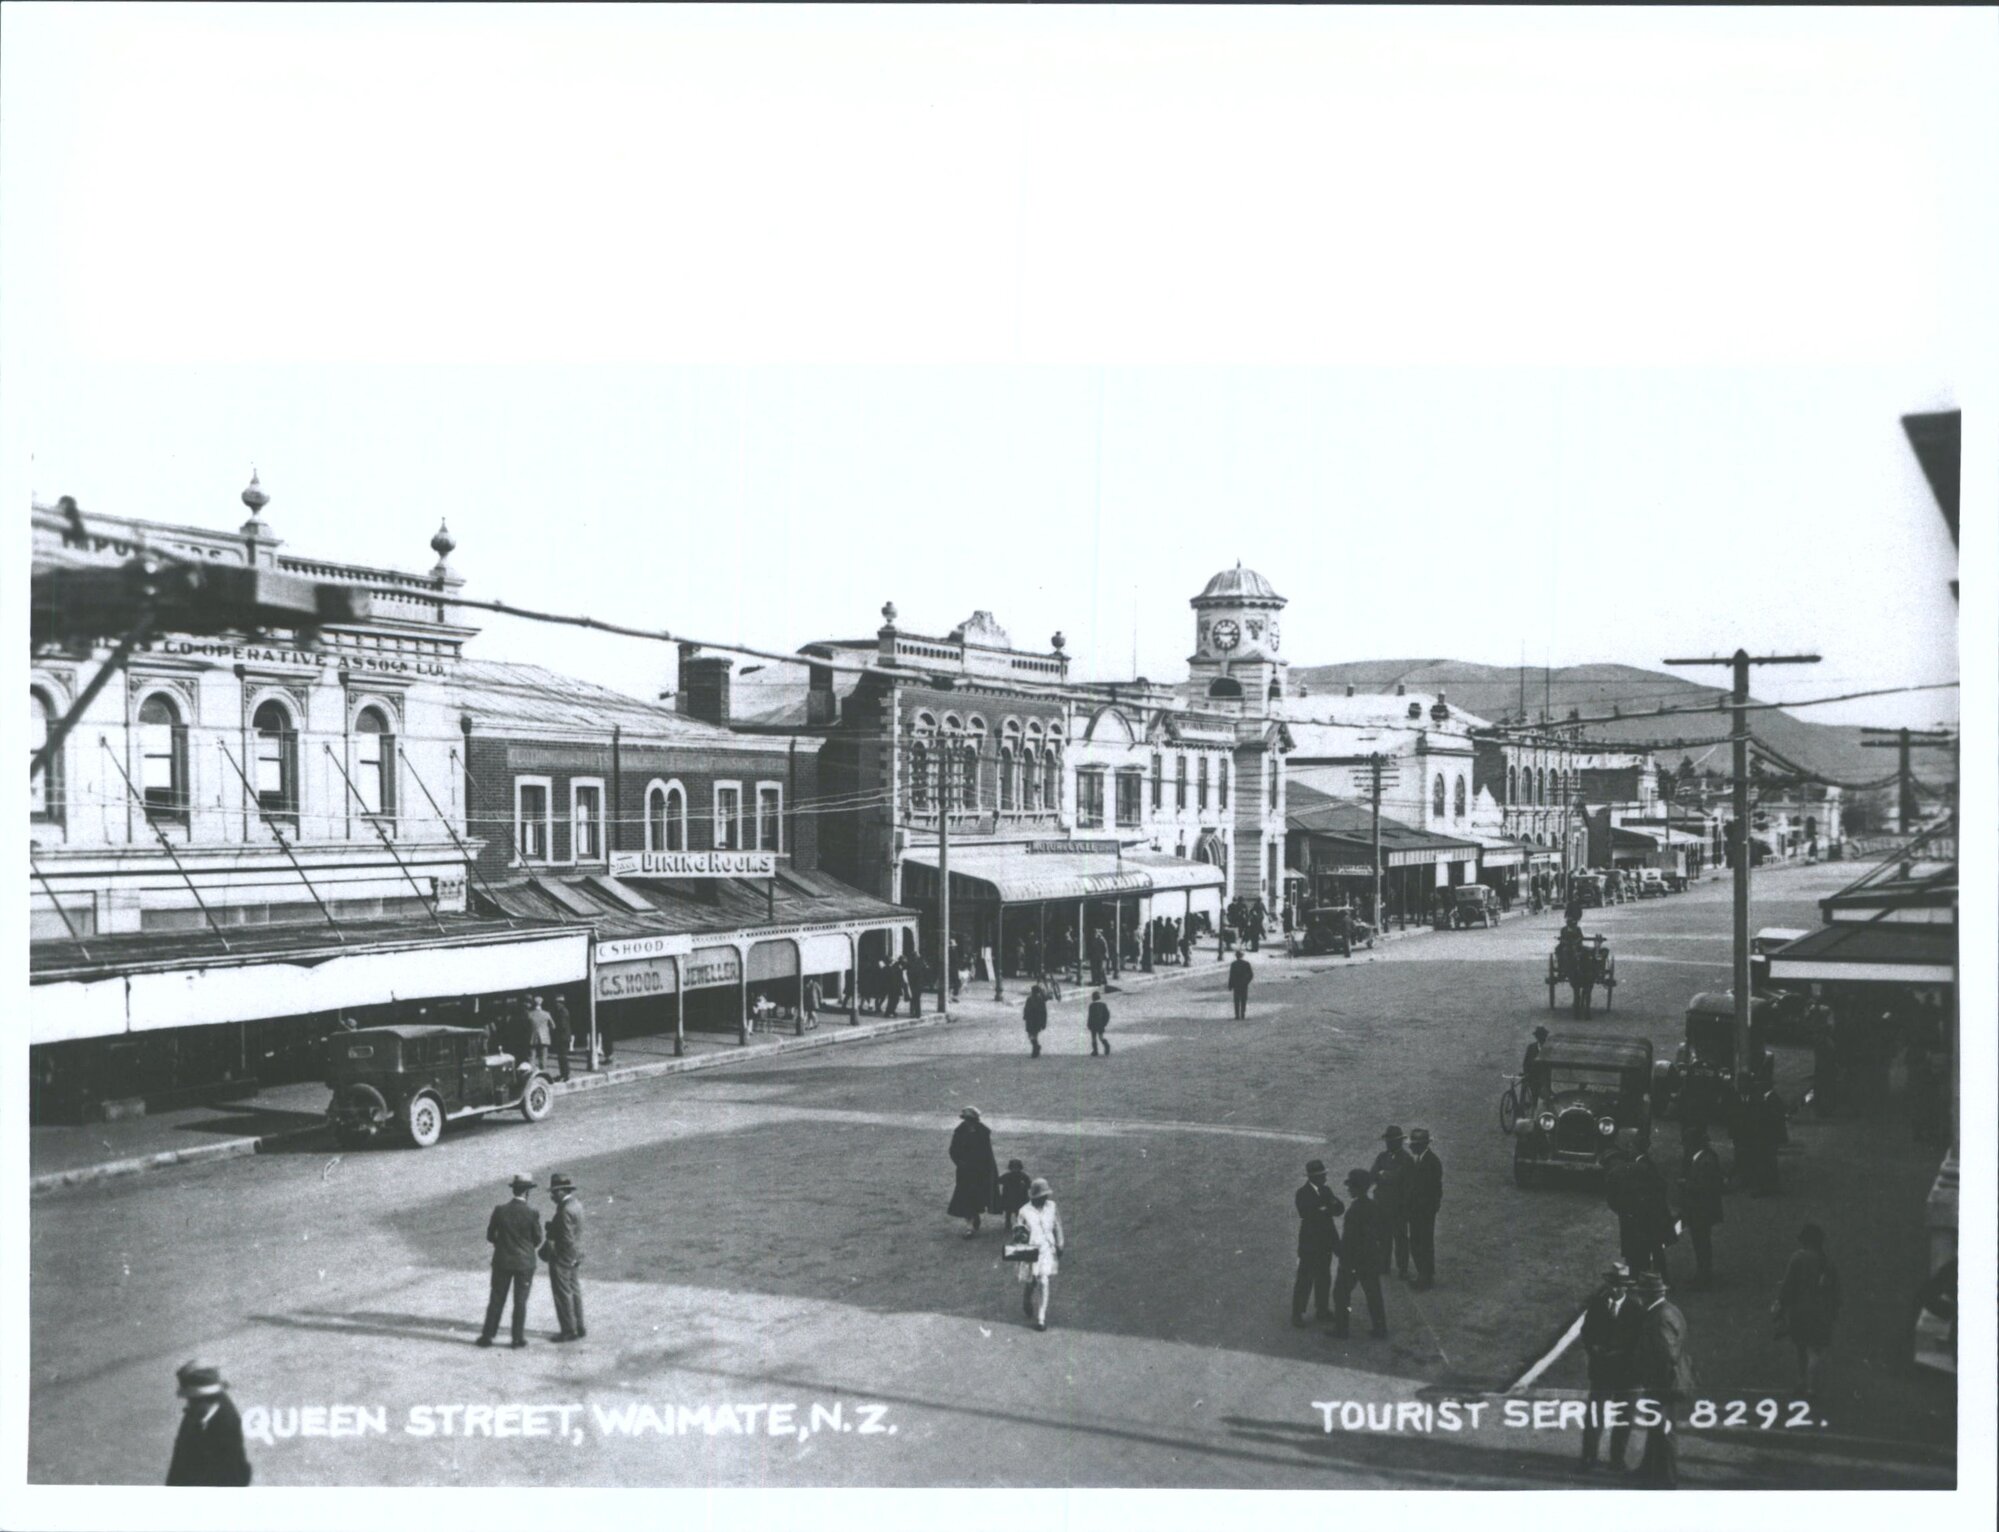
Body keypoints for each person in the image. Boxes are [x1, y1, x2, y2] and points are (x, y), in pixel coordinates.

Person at [1630, 1270, 1696, 1488]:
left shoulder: (1659, 1317)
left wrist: (1649, 1377)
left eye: (1641, 1292)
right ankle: (1649, 1469)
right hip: (1668, 1380)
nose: (1639, 1295)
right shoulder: (1669, 1310)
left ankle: (1666, 1479)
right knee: (1657, 1426)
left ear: (1648, 1294)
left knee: (1663, 1429)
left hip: (1663, 1382)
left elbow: (1666, 1354)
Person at [1577, 1263, 1638, 1474]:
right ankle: (1588, 1457)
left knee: (1623, 1418)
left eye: (1619, 1285)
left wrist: (1620, 1352)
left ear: (1626, 1287)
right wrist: (1593, 1347)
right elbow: (1586, 1331)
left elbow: (1639, 1340)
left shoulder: (1635, 1308)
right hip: (1601, 1369)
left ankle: (1617, 1460)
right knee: (1595, 1415)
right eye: (1612, 1284)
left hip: (1626, 1373)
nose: (1614, 1289)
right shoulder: (1597, 1304)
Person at [1773, 1223, 1841, 1404]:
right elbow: (1835, 1292)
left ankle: (1802, 1382)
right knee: (1815, 1351)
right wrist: (1834, 1312)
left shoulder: (1798, 1258)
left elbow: (1788, 1286)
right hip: (1820, 1313)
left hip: (1799, 1312)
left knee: (1801, 1349)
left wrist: (1780, 1304)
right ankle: (1812, 1387)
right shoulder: (1828, 1264)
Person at [477, 1174, 544, 1349]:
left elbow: (490, 1235)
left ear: (513, 1189)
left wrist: (503, 1245)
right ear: (528, 1192)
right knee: (520, 1301)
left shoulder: (500, 1210)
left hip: (502, 1261)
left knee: (497, 1298)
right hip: (525, 1263)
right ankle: (517, 1338)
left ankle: (487, 1336)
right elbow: (538, 1239)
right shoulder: (532, 1213)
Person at [166, 1361, 252, 1486]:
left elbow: (233, 1475)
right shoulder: (195, 1414)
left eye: (191, 1400)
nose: (188, 1405)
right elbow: (179, 1457)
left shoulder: (227, 1426)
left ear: (204, 1400)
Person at [1328, 1169, 1388, 1339]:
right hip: (1370, 1258)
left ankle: (1341, 1330)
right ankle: (1380, 1328)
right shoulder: (1373, 1206)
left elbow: (1349, 1240)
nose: (1348, 1190)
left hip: (1353, 1261)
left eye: (1350, 1187)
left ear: (1357, 1188)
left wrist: (1339, 1251)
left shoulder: (1354, 1211)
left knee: (1340, 1293)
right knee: (1373, 1293)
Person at [1292, 1159, 1344, 1327]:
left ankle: (1322, 1309)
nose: (1324, 1178)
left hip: (1325, 1243)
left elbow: (1339, 1209)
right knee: (1305, 1279)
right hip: (1310, 1244)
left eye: (1324, 1175)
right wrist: (1325, 1208)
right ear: (1312, 1177)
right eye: (1321, 1176)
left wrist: (1325, 1208)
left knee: (1324, 1277)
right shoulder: (1302, 1193)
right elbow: (1307, 1214)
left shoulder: (1326, 1190)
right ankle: (1297, 1313)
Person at [1608, 1146, 1672, 1276]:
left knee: (1634, 1249)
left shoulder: (1614, 1173)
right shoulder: (1641, 1167)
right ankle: (1662, 1279)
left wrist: (1624, 1211)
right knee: (1654, 1247)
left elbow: (1612, 1200)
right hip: (1650, 1214)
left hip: (1632, 1217)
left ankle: (1638, 1277)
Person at [1015, 1178, 1065, 1332]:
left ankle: (1041, 1318)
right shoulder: (1024, 1211)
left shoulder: (1052, 1207)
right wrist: (1020, 1251)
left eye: (1046, 1195)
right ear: (1035, 1197)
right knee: (1031, 1280)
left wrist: (1060, 1243)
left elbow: (1057, 1226)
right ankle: (1026, 1299)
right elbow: (1019, 1236)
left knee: (1043, 1280)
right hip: (1031, 1249)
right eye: (1042, 1196)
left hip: (1047, 1250)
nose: (1045, 1198)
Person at [1677, 1126, 1725, 1289]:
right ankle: (1703, 1273)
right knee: (1701, 1243)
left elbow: (1706, 1186)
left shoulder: (1705, 1161)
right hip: (1700, 1210)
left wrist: (1686, 1184)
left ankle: (1704, 1277)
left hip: (1702, 1211)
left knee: (1702, 1243)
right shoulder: (1704, 1157)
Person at [541, 1172, 586, 1342]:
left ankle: (568, 1330)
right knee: (574, 1291)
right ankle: (579, 1326)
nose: (552, 1196)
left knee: (562, 1293)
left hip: (564, 1257)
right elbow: (574, 1231)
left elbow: (566, 1238)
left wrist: (558, 1255)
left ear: (561, 1191)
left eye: (553, 1192)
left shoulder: (564, 1209)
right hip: (576, 1254)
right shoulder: (576, 1205)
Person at [1370, 1126, 1416, 1279]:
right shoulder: (1382, 1157)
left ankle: (1402, 1268)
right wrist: (1386, 1175)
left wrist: (1385, 1175)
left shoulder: (1406, 1159)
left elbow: (1402, 1178)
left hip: (1399, 1205)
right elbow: (1373, 1175)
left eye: (1393, 1141)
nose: (1389, 1144)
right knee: (1383, 1236)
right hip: (1382, 1204)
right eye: (1388, 1141)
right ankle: (1384, 1265)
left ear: (1400, 1142)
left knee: (1400, 1238)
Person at [947, 1107, 999, 1237]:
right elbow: (953, 1150)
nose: (968, 1122)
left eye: (970, 1120)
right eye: (966, 1120)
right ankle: (969, 1226)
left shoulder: (983, 1132)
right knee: (965, 1197)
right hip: (964, 1172)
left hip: (979, 1171)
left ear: (975, 1120)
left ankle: (974, 1215)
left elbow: (987, 1153)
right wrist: (960, 1163)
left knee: (977, 1196)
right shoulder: (959, 1132)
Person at [1405, 1128, 1443, 1289]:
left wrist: (1427, 1208)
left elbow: (1432, 1189)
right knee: (1417, 1241)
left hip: (1423, 1210)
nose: (1410, 1147)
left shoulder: (1430, 1162)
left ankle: (1425, 1276)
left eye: (1413, 1144)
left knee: (1423, 1242)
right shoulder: (1422, 1159)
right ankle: (1424, 1273)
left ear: (1421, 1145)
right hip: (1418, 1209)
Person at [996, 1158, 1033, 1232]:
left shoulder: (1023, 1176)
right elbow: (998, 1181)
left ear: (1020, 1168)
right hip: (1010, 1198)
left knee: (1018, 1212)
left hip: (1018, 1198)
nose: (1015, 1170)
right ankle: (1008, 1223)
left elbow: (1029, 1185)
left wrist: (1024, 1186)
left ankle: (1019, 1224)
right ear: (1010, 1168)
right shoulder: (1008, 1176)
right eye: (1013, 1168)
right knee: (1008, 1212)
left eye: (1017, 1168)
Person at [1522, 1025, 1551, 1106]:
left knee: (1546, 1098)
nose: (1542, 1038)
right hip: (1532, 1076)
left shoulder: (1549, 1048)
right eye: (1539, 1036)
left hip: (1544, 1077)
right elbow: (1526, 1062)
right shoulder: (1531, 1047)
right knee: (1534, 1096)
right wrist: (1526, 1073)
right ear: (1537, 1037)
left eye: (1543, 1036)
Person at [525, 995, 554, 1074]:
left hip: (532, 1038)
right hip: (544, 1038)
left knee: (531, 1058)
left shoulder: (529, 1014)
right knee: (543, 1058)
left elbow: (526, 1026)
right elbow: (553, 1026)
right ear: (541, 1004)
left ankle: (531, 1074)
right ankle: (543, 1073)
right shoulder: (547, 1014)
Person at [547, 995, 574, 1080]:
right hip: (563, 1037)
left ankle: (565, 1075)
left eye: (558, 1003)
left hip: (563, 1037)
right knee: (561, 1057)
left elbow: (562, 1025)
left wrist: (554, 1029)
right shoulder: (561, 1011)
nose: (556, 1004)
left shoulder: (563, 1012)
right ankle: (563, 1074)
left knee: (562, 1057)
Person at [1023, 984, 1049, 1058]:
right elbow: (1044, 1013)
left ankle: (1035, 1049)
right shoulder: (1039, 1000)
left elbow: (1026, 1009)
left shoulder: (1030, 999)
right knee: (1033, 1035)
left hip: (1032, 1020)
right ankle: (1036, 1047)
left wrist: (1025, 1016)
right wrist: (1043, 1023)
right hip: (1035, 1020)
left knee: (1031, 1035)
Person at [1228, 952, 1254, 1019]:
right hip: (1244, 985)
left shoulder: (1233, 964)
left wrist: (1230, 985)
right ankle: (1242, 1014)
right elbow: (1251, 975)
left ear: (1236, 956)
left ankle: (1237, 1015)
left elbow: (1231, 976)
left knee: (1236, 1000)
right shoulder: (1246, 964)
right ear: (1242, 956)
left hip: (1236, 984)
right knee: (1243, 999)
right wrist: (1246, 982)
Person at [1086, 990, 1112, 1057]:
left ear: (1093, 998)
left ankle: (1095, 1051)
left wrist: (1088, 1024)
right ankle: (1106, 1046)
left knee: (1093, 1038)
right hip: (1100, 1024)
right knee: (1101, 1037)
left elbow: (1090, 1016)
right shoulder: (1103, 1005)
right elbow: (1107, 1015)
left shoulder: (1091, 1006)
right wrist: (1104, 1023)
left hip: (1093, 1024)